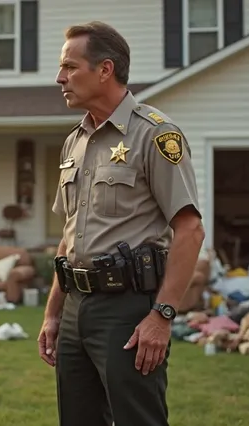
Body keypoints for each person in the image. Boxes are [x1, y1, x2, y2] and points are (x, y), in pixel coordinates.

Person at [37, 21, 205, 426]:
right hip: (77, 307)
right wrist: (53, 313)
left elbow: (190, 230)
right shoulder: (75, 141)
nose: (60, 78)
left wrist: (162, 316)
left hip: (128, 311)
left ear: (105, 70)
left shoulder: (155, 135)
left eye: (70, 67)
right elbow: (69, 238)